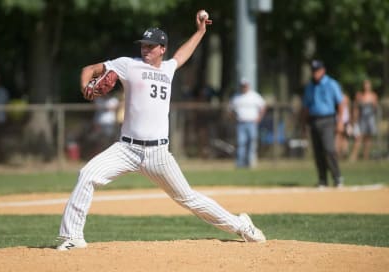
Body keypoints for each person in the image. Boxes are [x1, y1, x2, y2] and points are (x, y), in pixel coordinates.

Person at [57, 11, 266, 250]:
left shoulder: (168, 69)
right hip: (126, 148)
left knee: (188, 198)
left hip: (158, 154)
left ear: (162, 49)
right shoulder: (128, 65)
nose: (145, 49)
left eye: (151, 46)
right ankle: (73, 237)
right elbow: (90, 68)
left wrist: (199, 32)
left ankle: (241, 226)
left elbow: (182, 54)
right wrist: (85, 85)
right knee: (87, 174)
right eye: (144, 45)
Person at [302, 60, 343, 187]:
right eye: (313, 71)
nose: (315, 73)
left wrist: (340, 121)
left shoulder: (331, 84)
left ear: (323, 70)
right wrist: (304, 124)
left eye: (317, 70)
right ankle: (322, 180)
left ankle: (337, 177)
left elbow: (340, 103)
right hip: (314, 120)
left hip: (328, 119)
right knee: (317, 151)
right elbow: (306, 107)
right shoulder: (310, 86)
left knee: (329, 149)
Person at [228, 78, 266, 168]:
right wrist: (234, 118)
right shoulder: (236, 97)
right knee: (241, 143)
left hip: (251, 123)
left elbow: (263, 106)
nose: (244, 87)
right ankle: (240, 164)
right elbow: (230, 109)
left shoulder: (254, 96)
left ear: (248, 86)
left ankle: (250, 163)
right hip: (241, 123)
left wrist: (259, 118)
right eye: (242, 86)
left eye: (245, 86)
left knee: (251, 142)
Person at [349, 79, 379, 161]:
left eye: (368, 84)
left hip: (370, 119)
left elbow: (375, 109)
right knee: (358, 137)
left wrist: (374, 105)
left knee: (368, 138)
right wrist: (353, 119)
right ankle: (353, 156)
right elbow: (355, 108)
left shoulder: (373, 96)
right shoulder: (359, 95)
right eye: (365, 84)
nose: (366, 86)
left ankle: (366, 156)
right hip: (361, 119)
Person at [335, 92, 351, 159]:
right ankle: (337, 153)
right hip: (339, 120)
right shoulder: (336, 97)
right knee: (338, 136)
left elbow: (348, 108)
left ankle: (343, 153)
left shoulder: (345, 97)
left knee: (344, 137)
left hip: (345, 120)